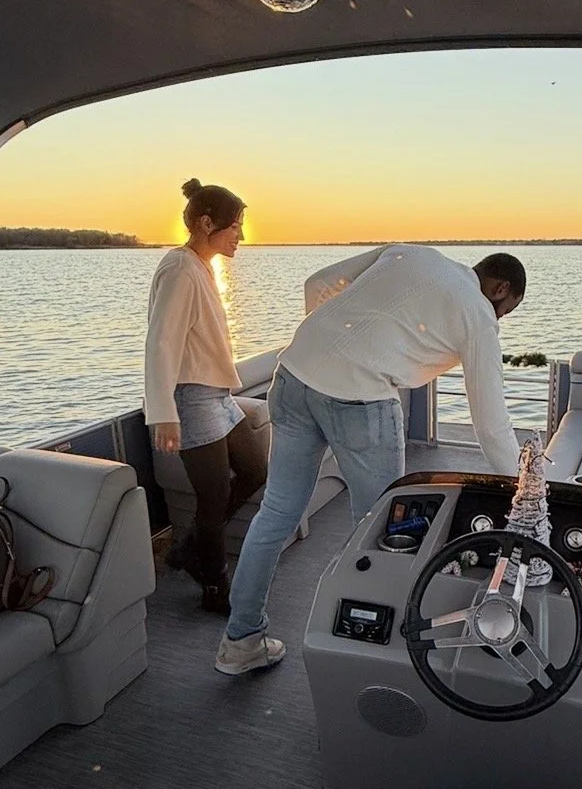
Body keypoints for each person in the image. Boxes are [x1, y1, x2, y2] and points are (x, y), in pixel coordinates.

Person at [215, 245, 526, 675]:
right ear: (500, 288)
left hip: (293, 377)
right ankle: (375, 654)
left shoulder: (411, 253)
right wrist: (524, 489)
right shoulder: (477, 312)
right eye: (506, 311)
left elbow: (317, 284)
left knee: (276, 514)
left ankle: (240, 642)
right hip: (360, 401)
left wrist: (331, 355)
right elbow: (491, 425)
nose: (500, 321)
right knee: (384, 530)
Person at [144, 179, 266, 614]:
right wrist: (163, 413)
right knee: (213, 497)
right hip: (191, 398)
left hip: (217, 394)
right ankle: (214, 585)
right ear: (206, 223)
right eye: (235, 226)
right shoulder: (179, 269)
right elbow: (162, 342)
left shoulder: (201, 265)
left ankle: (188, 548)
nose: (241, 236)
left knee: (255, 468)